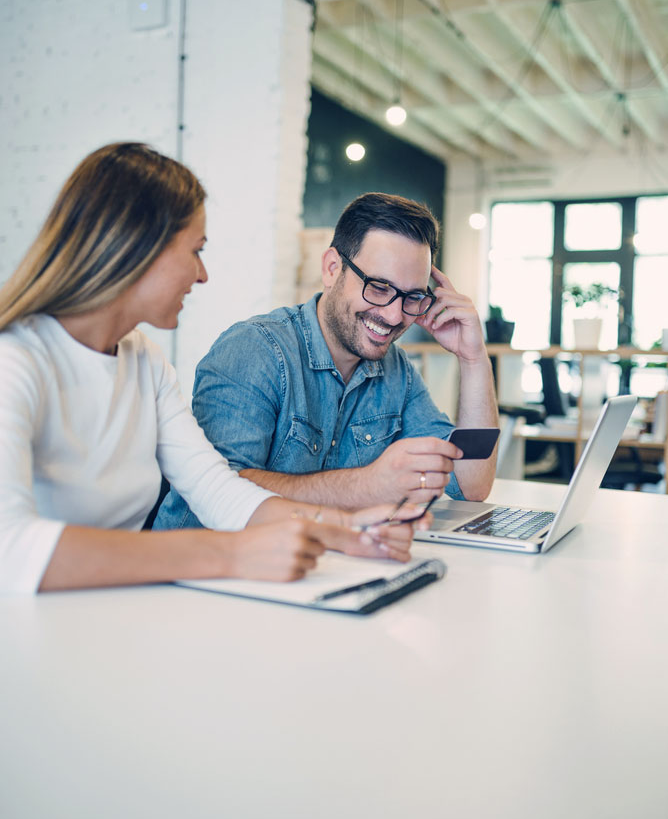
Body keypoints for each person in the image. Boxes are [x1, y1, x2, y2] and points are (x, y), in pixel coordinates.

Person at [0, 147, 426, 595]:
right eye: (195, 251)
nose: (201, 275)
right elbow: (9, 547)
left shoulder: (144, 361)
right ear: (135, 249)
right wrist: (233, 554)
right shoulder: (15, 361)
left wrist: (349, 529)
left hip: (112, 616)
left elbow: (216, 489)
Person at [155, 192, 498, 531]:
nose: (394, 315)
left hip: (314, 567)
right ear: (333, 268)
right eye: (378, 287)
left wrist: (474, 357)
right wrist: (367, 486)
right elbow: (219, 494)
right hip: (199, 577)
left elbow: (471, 483)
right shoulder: (255, 350)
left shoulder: (397, 371)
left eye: (412, 297)